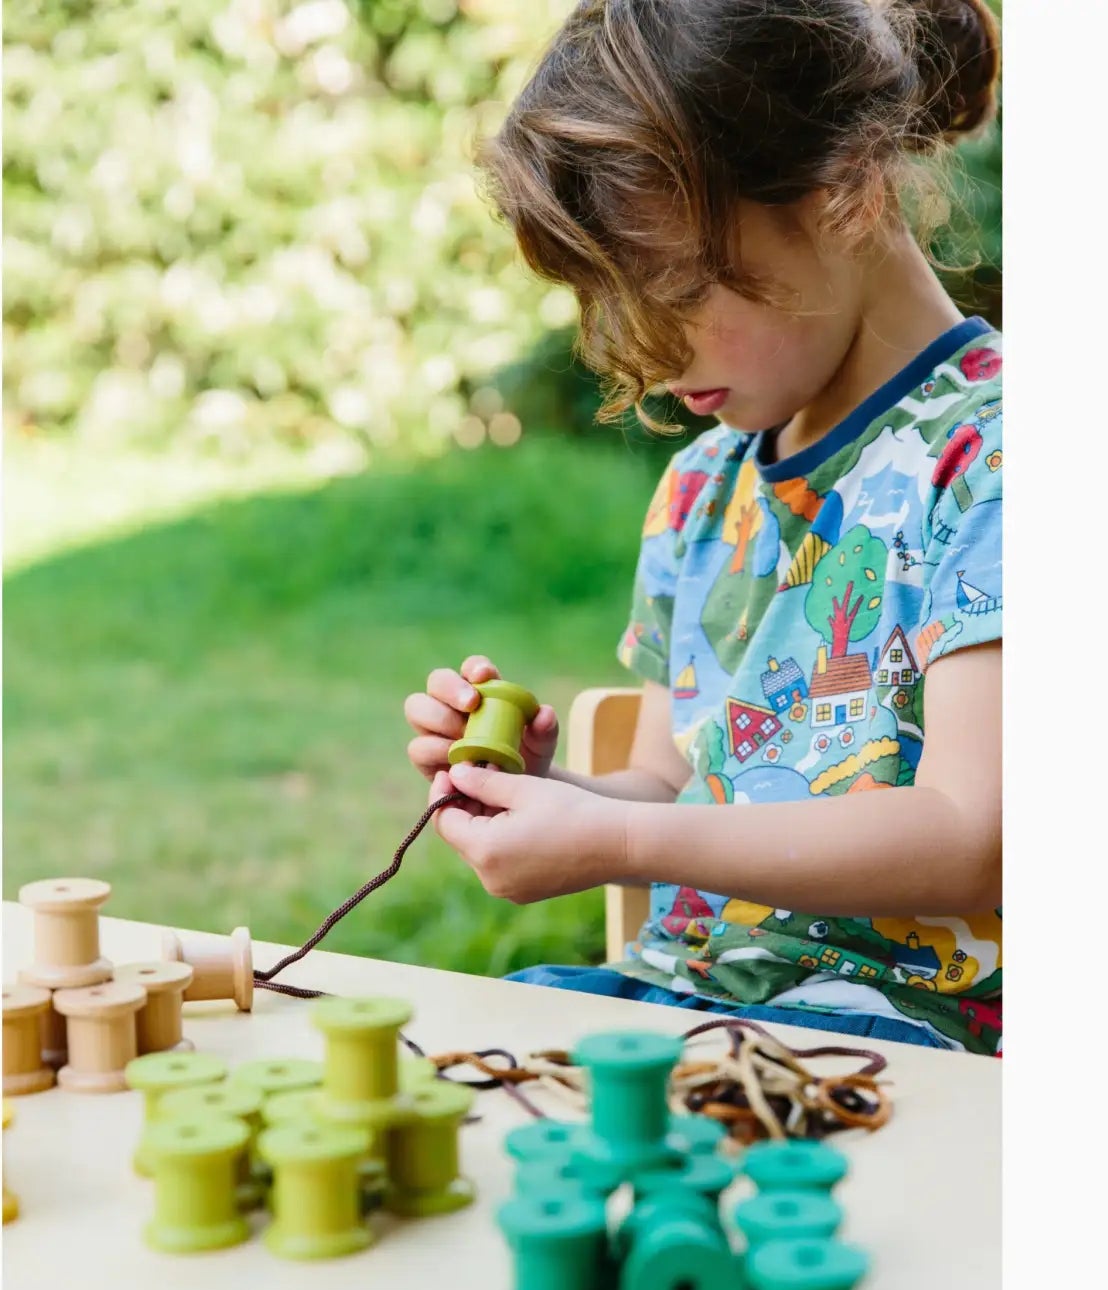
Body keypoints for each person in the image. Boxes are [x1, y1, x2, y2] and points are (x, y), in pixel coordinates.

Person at [403, 0, 1003, 1055]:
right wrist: (550, 798)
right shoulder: (700, 490)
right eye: (608, 297)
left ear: (848, 192)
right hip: (691, 1009)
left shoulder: (993, 458)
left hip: (908, 1055)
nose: (635, 346)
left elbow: (974, 835)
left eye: (674, 283)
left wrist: (624, 834)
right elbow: (681, 786)